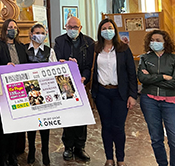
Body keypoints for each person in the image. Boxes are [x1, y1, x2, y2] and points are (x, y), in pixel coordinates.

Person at [91, 18, 137, 166]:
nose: (107, 31)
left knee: (118, 126)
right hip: (102, 93)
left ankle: (121, 159)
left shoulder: (123, 48)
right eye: (104, 28)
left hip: (120, 93)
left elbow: (131, 73)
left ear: (115, 30)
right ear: (100, 32)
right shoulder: (95, 48)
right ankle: (109, 158)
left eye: (110, 28)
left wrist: (132, 95)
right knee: (106, 126)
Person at [54, 16, 94, 161]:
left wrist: (84, 77)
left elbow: (89, 65)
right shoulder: (59, 41)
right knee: (69, 116)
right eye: (70, 27)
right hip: (65, 84)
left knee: (81, 117)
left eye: (75, 27)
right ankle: (68, 147)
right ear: (65, 27)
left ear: (80, 28)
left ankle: (80, 147)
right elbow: (57, 61)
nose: (72, 30)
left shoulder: (89, 42)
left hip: (82, 83)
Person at [0, 19, 28, 166]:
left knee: (16, 126)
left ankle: (13, 155)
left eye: (15, 27)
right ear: (5, 30)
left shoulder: (21, 46)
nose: (13, 30)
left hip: (19, 91)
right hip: (4, 91)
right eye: (10, 27)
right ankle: (3, 157)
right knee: (4, 126)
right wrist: (4, 67)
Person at [138, 29, 175, 166]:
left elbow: (174, 83)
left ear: (165, 42)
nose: (155, 43)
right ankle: (162, 164)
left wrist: (151, 78)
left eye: (158, 40)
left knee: (173, 139)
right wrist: (163, 77)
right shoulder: (145, 58)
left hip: (171, 102)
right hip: (149, 101)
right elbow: (142, 78)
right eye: (152, 40)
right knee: (156, 138)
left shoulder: (173, 58)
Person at [25, 23, 57, 166]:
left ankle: (45, 152)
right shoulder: (24, 49)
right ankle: (31, 150)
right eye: (37, 32)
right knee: (31, 125)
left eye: (42, 32)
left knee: (45, 125)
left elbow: (54, 68)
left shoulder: (50, 51)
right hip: (28, 91)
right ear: (31, 34)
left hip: (45, 91)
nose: (40, 35)